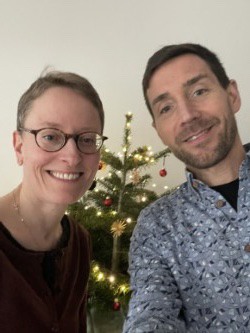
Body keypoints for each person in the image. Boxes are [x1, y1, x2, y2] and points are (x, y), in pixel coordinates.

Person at [123, 43, 250, 332]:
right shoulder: (156, 226)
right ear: (158, 130)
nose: (187, 116)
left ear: (232, 96)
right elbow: (151, 313)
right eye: (167, 108)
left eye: (199, 91)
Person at [0, 70, 107, 332]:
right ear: (19, 146)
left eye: (86, 139)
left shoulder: (79, 242)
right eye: (50, 136)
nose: (72, 157)